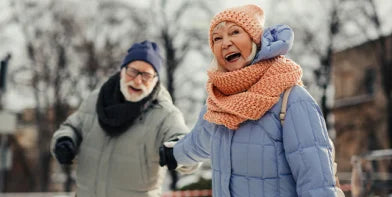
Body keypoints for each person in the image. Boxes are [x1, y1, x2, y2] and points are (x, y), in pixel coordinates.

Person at [160, 4, 344, 197]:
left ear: (254, 39)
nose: (225, 43)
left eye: (235, 32)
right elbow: (198, 142)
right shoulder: (217, 104)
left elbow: (317, 184)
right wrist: (172, 154)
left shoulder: (292, 100)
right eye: (217, 38)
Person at [51, 40, 194, 197]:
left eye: (146, 75)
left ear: (155, 80)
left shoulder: (165, 115)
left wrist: (178, 152)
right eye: (133, 71)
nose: (138, 80)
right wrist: (65, 140)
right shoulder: (97, 99)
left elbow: (186, 144)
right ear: (122, 71)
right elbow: (73, 126)